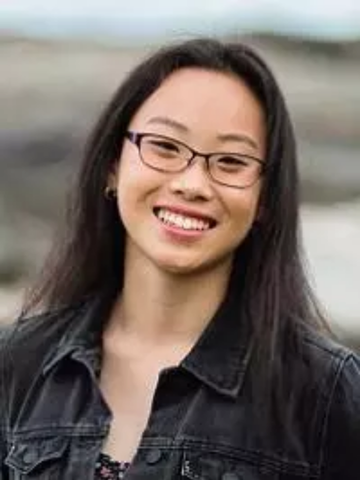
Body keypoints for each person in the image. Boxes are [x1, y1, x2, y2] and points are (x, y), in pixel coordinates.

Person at [0, 37, 359, 480]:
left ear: (264, 198)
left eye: (230, 161)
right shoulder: (17, 365)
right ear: (113, 164)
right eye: (165, 147)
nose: (192, 183)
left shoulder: (324, 392)